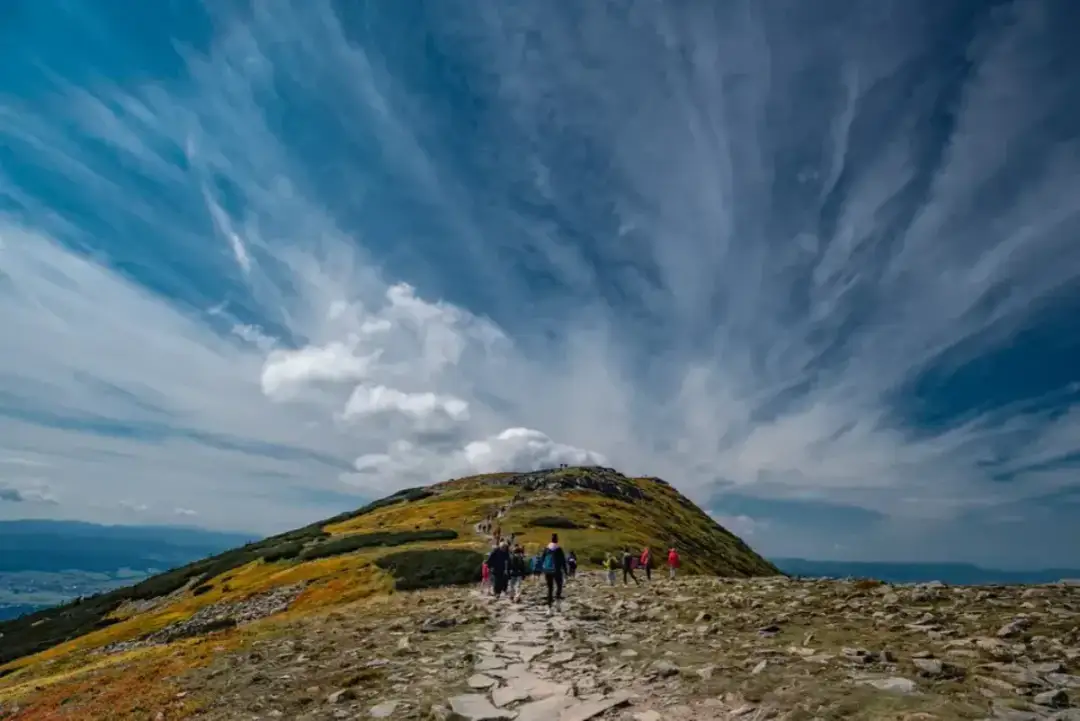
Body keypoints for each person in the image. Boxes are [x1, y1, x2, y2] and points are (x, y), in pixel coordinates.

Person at [539, 533, 569, 613]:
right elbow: (563, 562)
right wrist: (566, 572)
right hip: (557, 571)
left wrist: (541, 570)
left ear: (551, 539)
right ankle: (558, 604)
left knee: (550, 589)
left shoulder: (546, 549)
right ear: (557, 540)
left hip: (548, 571)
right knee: (559, 586)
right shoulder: (559, 549)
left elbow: (542, 560)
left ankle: (549, 608)